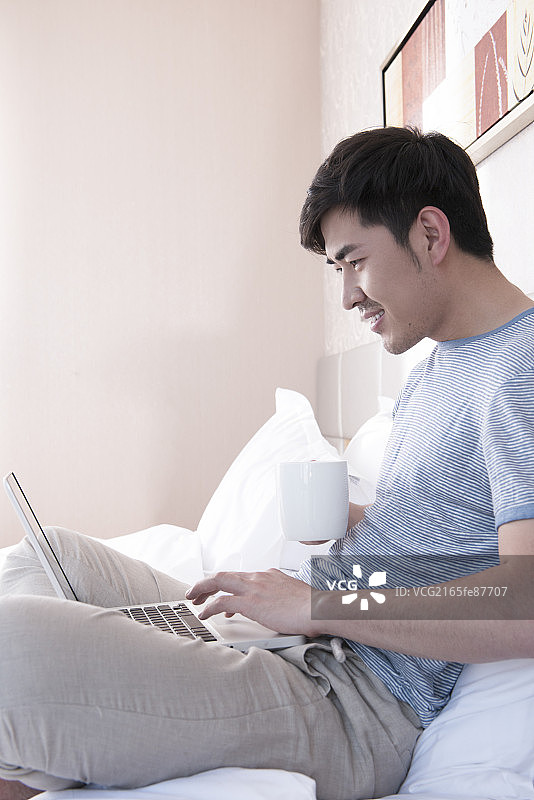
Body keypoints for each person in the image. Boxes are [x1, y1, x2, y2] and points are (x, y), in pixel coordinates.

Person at [1, 126, 533, 800]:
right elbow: (451, 529)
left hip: (354, 701)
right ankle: (58, 737)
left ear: (430, 235)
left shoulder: (522, 370)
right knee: (49, 556)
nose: (346, 296)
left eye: (353, 261)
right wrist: (356, 520)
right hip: (305, 638)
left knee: (10, 647)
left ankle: (39, 751)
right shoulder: (439, 366)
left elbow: (525, 602)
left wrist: (321, 602)